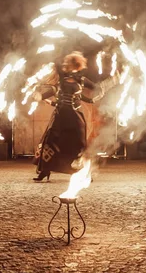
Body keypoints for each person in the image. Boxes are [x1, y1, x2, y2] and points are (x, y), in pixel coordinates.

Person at [32, 51, 116, 182]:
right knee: (50, 141)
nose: (68, 67)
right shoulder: (62, 81)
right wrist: (41, 96)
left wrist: (111, 82)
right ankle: (45, 170)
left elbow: (96, 88)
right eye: (68, 65)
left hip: (75, 117)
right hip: (60, 116)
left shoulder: (81, 81)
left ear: (77, 66)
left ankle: (85, 172)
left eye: (71, 65)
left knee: (79, 145)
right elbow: (54, 91)